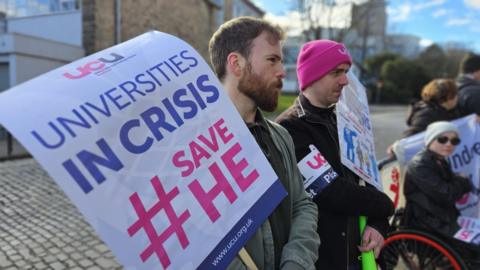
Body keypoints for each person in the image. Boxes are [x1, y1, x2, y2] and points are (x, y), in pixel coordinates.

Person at [209, 16, 320, 270]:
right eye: (272, 60)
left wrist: (296, 262)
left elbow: (303, 205)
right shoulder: (195, 151)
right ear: (236, 64)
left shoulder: (280, 136)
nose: (282, 72)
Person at [276, 39, 394, 270]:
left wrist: (379, 223)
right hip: (322, 258)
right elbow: (331, 191)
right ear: (312, 76)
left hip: (355, 251)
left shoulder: (343, 119)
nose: (345, 80)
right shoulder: (291, 127)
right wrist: (387, 206)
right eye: (336, 72)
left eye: (346, 72)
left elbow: (368, 174)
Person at [403, 121, 478, 266]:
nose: (449, 144)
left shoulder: (439, 160)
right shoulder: (420, 164)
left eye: (454, 140)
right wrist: (463, 182)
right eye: (442, 139)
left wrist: (459, 180)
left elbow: (444, 186)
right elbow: (447, 194)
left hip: (442, 216)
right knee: (474, 249)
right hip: (428, 222)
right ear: (431, 140)